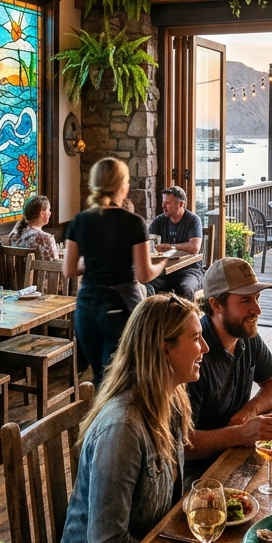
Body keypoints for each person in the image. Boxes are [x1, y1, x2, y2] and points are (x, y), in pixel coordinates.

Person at [59, 294, 205, 543]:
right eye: (196, 338)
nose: (204, 347)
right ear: (164, 348)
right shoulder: (123, 428)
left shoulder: (169, 400)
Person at [63, 158, 168, 385]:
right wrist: (163, 264)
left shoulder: (79, 221)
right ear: (123, 186)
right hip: (118, 307)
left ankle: (99, 417)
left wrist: (94, 262)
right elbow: (143, 275)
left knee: (101, 378)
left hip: (86, 308)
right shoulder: (133, 223)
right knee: (119, 380)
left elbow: (69, 269)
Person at [185, 258, 272, 483]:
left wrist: (250, 411)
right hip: (195, 477)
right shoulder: (194, 351)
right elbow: (181, 445)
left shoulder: (245, 334)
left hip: (235, 456)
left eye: (257, 298)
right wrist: (240, 434)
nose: (257, 309)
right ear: (215, 305)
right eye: (245, 300)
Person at [145, 185, 204, 301]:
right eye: (163, 202)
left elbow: (194, 247)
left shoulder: (193, 220)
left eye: (167, 203)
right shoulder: (159, 221)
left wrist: (169, 247)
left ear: (181, 204)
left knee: (185, 289)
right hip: (163, 272)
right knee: (145, 286)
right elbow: (148, 243)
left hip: (189, 270)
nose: (163, 206)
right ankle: (156, 318)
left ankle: (186, 319)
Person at [6, 193, 59, 260]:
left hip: (15, 271)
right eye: (48, 210)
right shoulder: (45, 238)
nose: (50, 213)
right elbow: (54, 267)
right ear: (42, 213)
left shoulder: (13, 235)